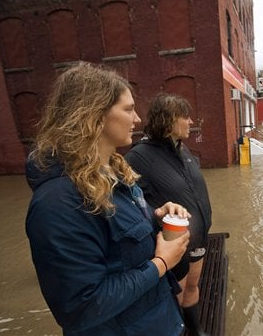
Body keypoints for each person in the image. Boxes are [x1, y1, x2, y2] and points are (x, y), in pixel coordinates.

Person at [25, 62, 191, 335]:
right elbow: (81, 308)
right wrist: (161, 264)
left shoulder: (116, 173)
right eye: (128, 109)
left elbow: (122, 243)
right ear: (94, 116)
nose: (137, 119)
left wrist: (156, 215)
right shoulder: (57, 203)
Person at [125, 93, 212, 336]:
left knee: (193, 286)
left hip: (199, 236)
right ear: (168, 120)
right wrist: (158, 216)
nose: (191, 121)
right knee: (176, 294)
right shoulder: (138, 157)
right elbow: (131, 206)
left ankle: (197, 331)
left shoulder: (182, 149)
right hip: (174, 244)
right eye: (185, 116)